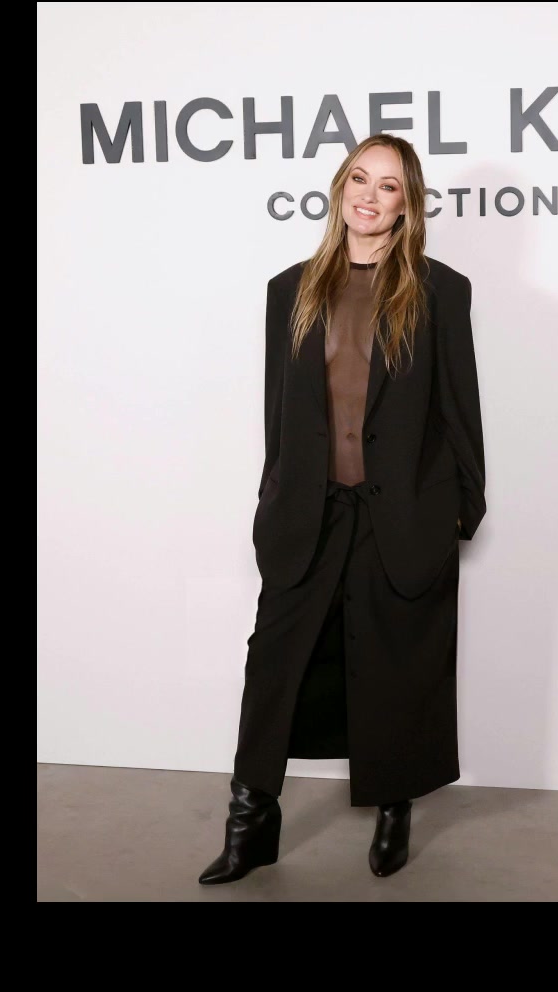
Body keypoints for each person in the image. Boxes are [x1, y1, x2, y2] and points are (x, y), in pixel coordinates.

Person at [199, 134, 487, 884]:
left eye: (388, 186)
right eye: (360, 178)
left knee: (396, 666)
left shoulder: (441, 291)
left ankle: (394, 809)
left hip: (404, 514)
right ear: (340, 188)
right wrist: (272, 500)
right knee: (274, 665)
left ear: (407, 204)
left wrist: (463, 509)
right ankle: (250, 823)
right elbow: (280, 416)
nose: (369, 195)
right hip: (311, 512)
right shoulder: (289, 290)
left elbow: (460, 408)